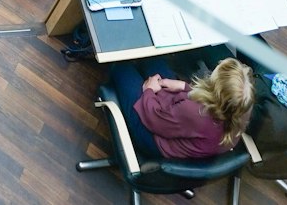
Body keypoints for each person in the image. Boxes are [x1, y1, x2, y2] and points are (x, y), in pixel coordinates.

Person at [110, 57, 256, 162]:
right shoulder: (241, 107)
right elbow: (216, 101)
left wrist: (148, 91)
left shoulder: (195, 112)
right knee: (152, 59)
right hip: (181, 123)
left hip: (155, 139)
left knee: (121, 67)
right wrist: (185, 87)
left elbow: (154, 119)